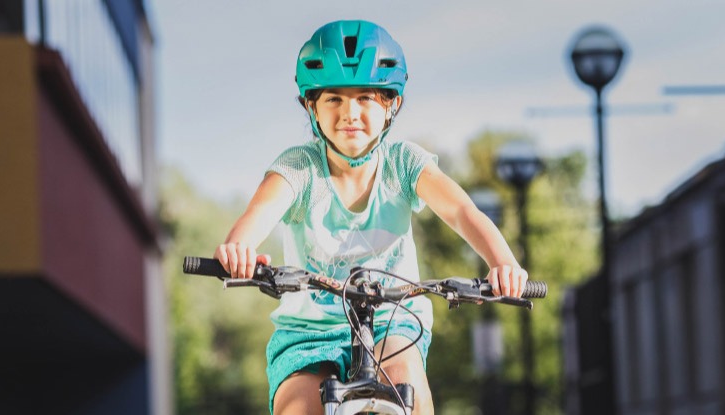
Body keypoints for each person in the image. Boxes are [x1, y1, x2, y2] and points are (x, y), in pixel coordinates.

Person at [214, 20, 528, 415]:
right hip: (309, 332)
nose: (351, 113)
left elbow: (462, 211)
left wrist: (503, 262)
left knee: (407, 386)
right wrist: (240, 247)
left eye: (365, 98)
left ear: (390, 105)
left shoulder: (404, 164)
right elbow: (260, 212)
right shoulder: (301, 168)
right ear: (311, 106)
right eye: (334, 100)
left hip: (392, 322)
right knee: (299, 407)